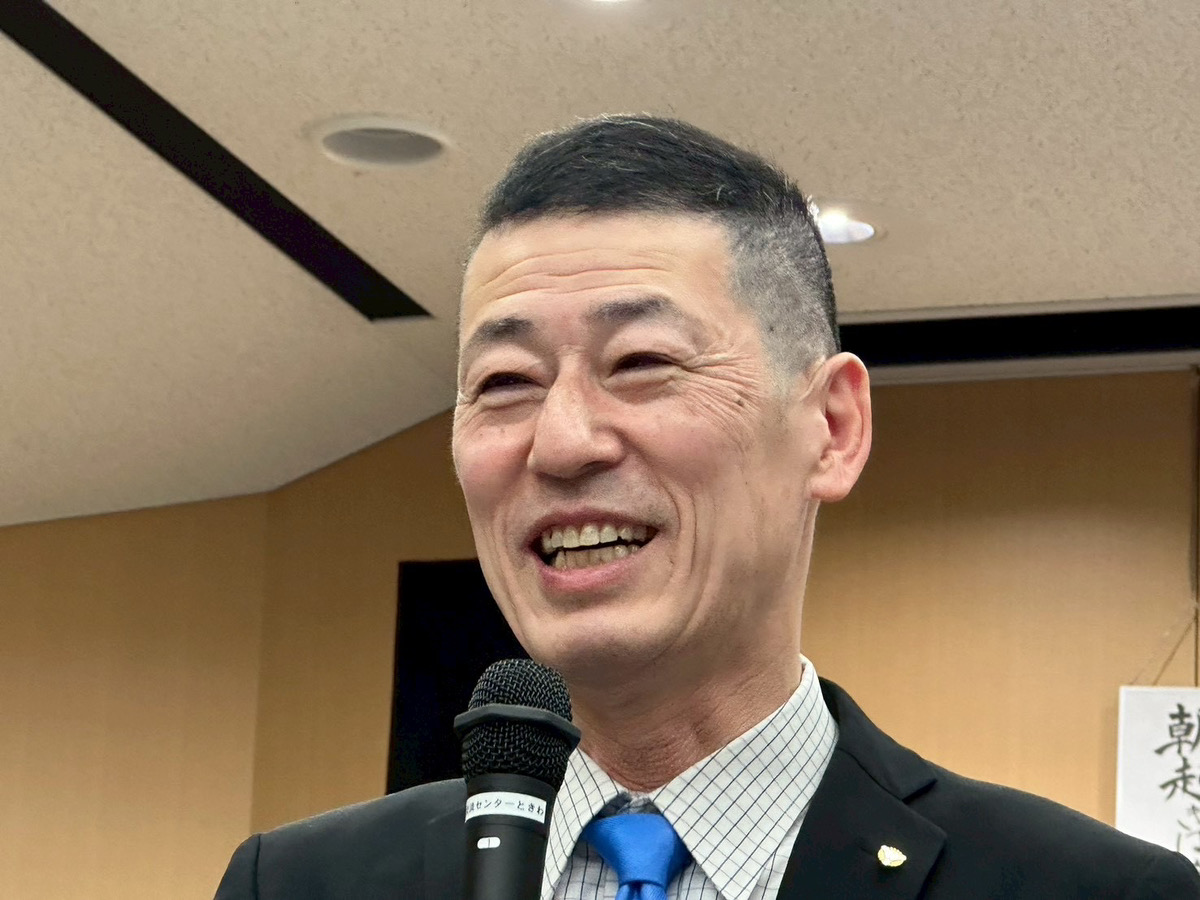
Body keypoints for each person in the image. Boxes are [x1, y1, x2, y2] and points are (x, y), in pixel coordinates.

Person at [215, 115, 1200, 899]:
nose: (562, 442)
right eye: (506, 381)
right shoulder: (300, 883)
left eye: (642, 362)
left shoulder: (1088, 889)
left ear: (832, 427)